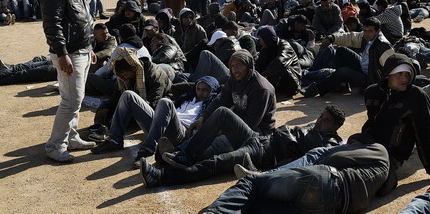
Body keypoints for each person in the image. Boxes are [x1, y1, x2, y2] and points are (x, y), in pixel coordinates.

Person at [146, 105, 344, 187]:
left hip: (263, 154)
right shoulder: (315, 127)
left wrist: (272, 169)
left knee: (216, 162)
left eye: (325, 121)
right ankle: (186, 154)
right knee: (223, 113)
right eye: (320, 116)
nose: (319, 121)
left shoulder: (327, 144)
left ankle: (160, 178)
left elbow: (303, 163)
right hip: (258, 138)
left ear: (335, 127)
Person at [195, 134, 391, 214]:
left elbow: (334, 157)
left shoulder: (377, 149)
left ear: (358, 143)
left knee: (250, 183)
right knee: (253, 206)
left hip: (323, 180)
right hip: (332, 207)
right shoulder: (380, 172)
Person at [41, 0, 100, 163]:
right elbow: (52, 24)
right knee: (71, 100)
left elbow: (84, 20)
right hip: (69, 54)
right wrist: (62, 53)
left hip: (81, 51)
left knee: (75, 99)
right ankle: (55, 145)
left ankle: (70, 137)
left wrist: (90, 46)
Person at [90, 75, 218, 169]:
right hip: (160, 126)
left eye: (206, 90)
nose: (201, 92)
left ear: (212, 91)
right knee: (128, 95)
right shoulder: (186, 98)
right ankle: (114, 140)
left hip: (179, 134)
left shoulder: (212, 104)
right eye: (199, 88)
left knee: (165, 102)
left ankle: (147, 150)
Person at [363, 54, 430, 188]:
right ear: (387, 74)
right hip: (366, 144)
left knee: (364, 179)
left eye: (407, 74)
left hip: (391, 154)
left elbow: (423, 134)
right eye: (399, 74)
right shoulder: (371, 92)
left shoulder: (416, 97)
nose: (404, 79)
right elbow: (371, 123)